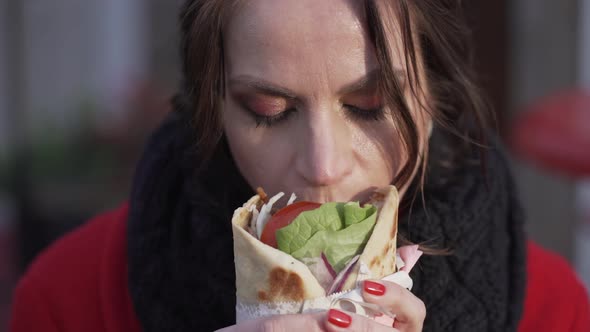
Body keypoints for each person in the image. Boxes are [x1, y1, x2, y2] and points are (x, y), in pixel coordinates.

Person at [10, 0, 590, 331]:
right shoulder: (71, 298)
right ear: (210, 105)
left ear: (435, 96)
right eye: (269, 110)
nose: (322, 166)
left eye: (371, 107)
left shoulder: (551, 308)